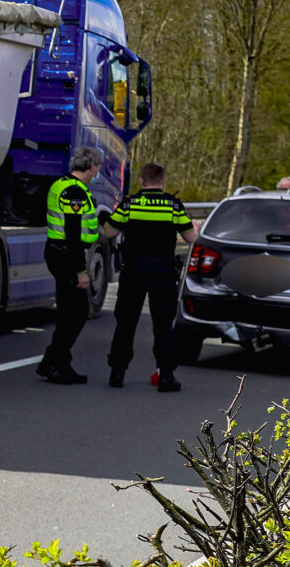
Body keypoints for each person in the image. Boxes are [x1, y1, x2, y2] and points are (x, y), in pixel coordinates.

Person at [103, 161, 193, 392]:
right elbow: (191, 238)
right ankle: (166, 376)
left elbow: (109, 231)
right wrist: (196, 226)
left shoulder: (130, 203)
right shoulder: (172, 205)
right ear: (162, 181)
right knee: (162, 324)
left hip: (133, 271)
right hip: (162, 272)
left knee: (126, 322)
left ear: (142, 181)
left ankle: (117, 372)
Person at [36, 148, 104, 384]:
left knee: (70, 313)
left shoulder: (62, 184)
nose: (98, 172)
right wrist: (82, 272)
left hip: (59, 252)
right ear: (90, 166)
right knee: (74, 314)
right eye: (97, 167)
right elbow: (73, 234)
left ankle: (58, 362)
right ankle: (52, 363)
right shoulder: (74, 192)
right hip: (67, 256)